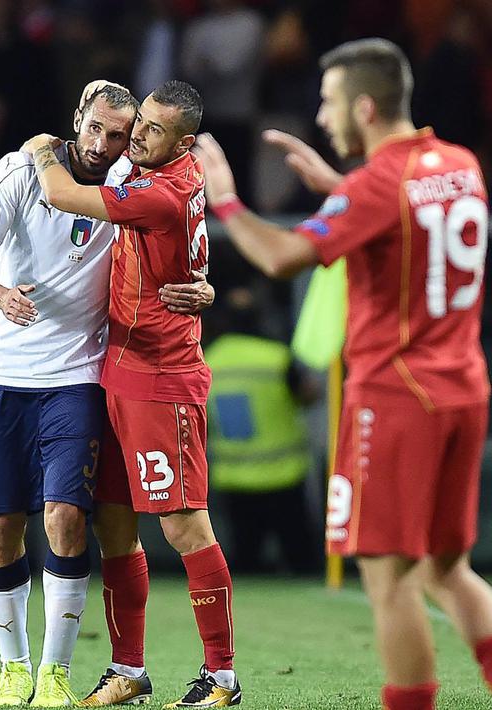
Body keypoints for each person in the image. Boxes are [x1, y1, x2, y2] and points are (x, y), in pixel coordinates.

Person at [193, 37, 492, 710]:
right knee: (448, 569)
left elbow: (280, 259)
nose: (322, 119)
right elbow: (405, 215)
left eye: (328, 104)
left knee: (389, 582)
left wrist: (227, 202)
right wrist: (340, 192)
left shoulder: (376, 186)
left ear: (362, 105)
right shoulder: (459, 163)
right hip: (461, 389)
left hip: (394, 397)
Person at [0, 83, 214, 707]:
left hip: (79, 375)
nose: (105, 145)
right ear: (79, 117)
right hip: (0, 374)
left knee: (68, 519)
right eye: (95, 129)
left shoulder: (126, 178)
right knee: (1, 527)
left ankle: (54, 674)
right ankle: (13, 668)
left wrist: (201, 285)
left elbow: (176, 232)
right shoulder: (15, 172)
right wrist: (0, 297)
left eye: (120, 135)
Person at [23, 80, 242, 708]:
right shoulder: (172, 166)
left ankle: (221, 677)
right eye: (137, 123)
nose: (136, 137)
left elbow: (60, 192)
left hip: (161, 378)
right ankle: (128, 670)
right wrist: (200, 283)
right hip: (116, 370)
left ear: (183, 144)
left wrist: (41, 147)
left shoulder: (160, 191)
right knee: (116, 525)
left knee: (183, 525)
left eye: (151, 131)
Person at [205, 287, 320, 575]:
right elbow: (308, 396)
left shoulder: (207, 360)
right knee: (300, 559)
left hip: (234, 474)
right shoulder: (278, 357)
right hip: (284, 471)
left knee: (245, 561)